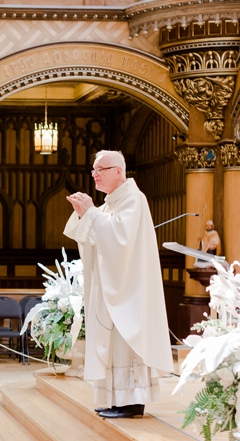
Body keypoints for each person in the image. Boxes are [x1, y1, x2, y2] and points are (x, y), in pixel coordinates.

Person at [63, 150, 173, 419]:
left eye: (100, 169)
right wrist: (83, 215)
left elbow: (119, 239)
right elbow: (91, 236)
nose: (95, 175)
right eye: (93, 170)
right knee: (112, 344)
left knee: (127, 343)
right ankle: (115, 399)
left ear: (118, 172)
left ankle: (132, 402)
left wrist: (90, 213)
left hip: (129, 291)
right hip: (113, 288)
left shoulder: (133, 199)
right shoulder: (111, 203)